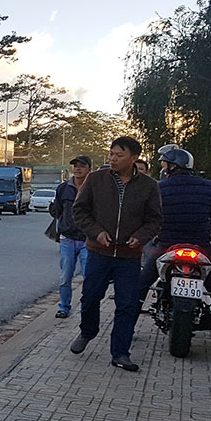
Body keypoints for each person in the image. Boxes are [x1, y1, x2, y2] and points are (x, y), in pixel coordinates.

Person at [70, 136, 162, 371]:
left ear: (134, 158)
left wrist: (140, 237)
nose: (112, 158)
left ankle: (120, 353)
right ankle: (88, 332)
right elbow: (80, 212)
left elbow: (154, 220)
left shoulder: (149, 186)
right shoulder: (96, 179)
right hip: (99, 252)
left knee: (127, 304)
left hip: (129, 257)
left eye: (119, 155)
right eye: (111, 153)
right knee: (90, 297)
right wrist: (96, 232)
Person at [137, 148, 211, 308]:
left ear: (172, 166)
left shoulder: (159, 187)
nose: (163, 167)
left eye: (165, 164)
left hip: (166, 246)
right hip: (202, 246)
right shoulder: (208, 186)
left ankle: (127, 328)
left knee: (141, 287)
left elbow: (149, 216)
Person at [51, 155, 91, 318]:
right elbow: (57, 211)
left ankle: (86, 309)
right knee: (65, 277)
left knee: (88, 278)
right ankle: (64, 307)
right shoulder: (63, 188)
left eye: (82, 166)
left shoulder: (94, 188)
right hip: (67, 239)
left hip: (87, 240)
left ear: (89, 168)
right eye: (75, 166)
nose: (78, 169)